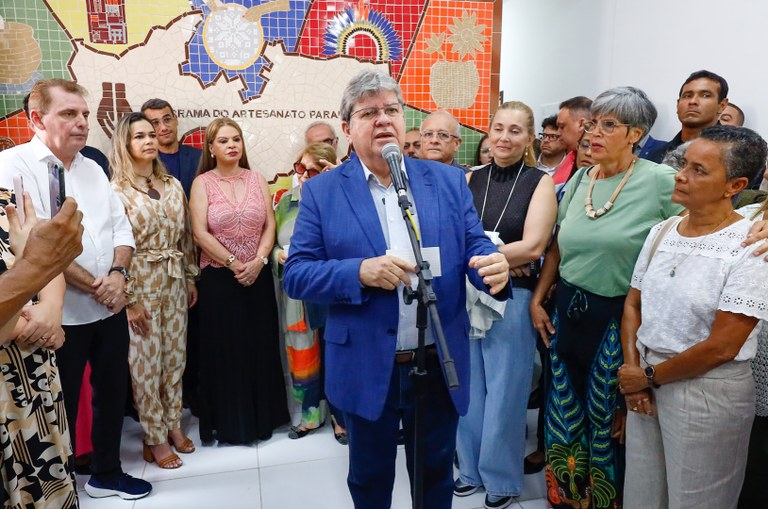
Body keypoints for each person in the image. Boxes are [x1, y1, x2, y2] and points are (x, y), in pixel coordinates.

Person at [282, 70, 510, 509]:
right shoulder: (323, 192)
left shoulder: (446, 181)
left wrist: (492, 267)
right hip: (366, 361)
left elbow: (474, 243)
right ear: (347, 127)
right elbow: (297, 274)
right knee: (370, 480)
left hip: (437, 359)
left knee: (435, 477)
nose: (383, 119)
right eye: (369, 113)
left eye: (391, 109)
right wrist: (358, 272)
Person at [530, 86, 682, 509]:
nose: (592, 133)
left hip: (618, 318)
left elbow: (704, 225)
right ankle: (565, 498)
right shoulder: (582, 178)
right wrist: (538, 299)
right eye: (592, 124)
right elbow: (557, 245)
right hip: (568, 313)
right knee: (563, 410)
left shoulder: (659, 181)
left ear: (636, 134)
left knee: (609, 418)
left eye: (608, 125)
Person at [0, 78, 151, 500]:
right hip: (56, 316)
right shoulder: (12, 166)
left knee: (112, 392)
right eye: (69, 114)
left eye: (84, 114)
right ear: (37, 119)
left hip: (109, 307)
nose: (82, 122)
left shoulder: (93, 167)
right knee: (58, 405)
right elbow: (39, 246)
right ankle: (62, 485)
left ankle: (108, 473)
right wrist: (97, 286)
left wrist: (118, 276)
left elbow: (121, 229)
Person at [619, 126, 768, 508]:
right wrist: (635, 375)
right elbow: (634, 305)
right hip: (647, 377)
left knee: (698, 499)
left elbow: (723, 346)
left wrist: (647, 376)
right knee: (643, 493)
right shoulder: (663, 230)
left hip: (706, 391)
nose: (681, 176)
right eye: (684, 164)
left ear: (735, 185)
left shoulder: (751, 246)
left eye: (699, 170)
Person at [455, 101, 557, 509]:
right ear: (489, 131)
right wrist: (498, 258)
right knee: (468, 386)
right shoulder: (469, 178)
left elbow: (533, 245)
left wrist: (487, 258)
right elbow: (454, 237)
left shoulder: (540, 182)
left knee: (506, 391)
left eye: (515, 130)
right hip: (467, 293)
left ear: (529, 138)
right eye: (498, 128)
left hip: (513, 296)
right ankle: (469, 470)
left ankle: (501, 477)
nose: (504, 137)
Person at [189, 117, 289, 444]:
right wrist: (234, 263)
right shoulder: (202, 183)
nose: (232, 145)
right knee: (226, 350)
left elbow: (270, 225)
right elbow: (199, 233)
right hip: (219, 279)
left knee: (259, 346)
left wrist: (258, 261)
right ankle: (232, 424)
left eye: (236, 139)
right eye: (223, 140)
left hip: (257, 277)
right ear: (211, 148)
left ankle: (265, 419)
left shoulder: (256, 178)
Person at [109, 112, 199, 469]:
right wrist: (129, 301)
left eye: (151, 134)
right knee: (145, 365)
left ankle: (173, 424)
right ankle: (154, 437)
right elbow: (114, 248)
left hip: (174, 280)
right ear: (125, 143)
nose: (149, 140)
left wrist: (190, 277)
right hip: (140, 284)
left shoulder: (173, 185)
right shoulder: (116, 190)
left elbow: (186, 236)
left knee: (175, 359)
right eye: (139, 136)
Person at [0, 194, 83, 509]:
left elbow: (50, 260)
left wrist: (52, 308)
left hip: (36, 374)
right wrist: (31, 325)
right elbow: (37, 263)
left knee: (50, 474)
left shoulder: (7, 200)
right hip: (6, 390)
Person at [273, 142, 347, 443]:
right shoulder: (286, 201)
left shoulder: (341, 200)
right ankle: (310, 415)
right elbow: (273, 241)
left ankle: (341, 417)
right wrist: (277, 254)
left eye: (313, 171)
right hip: (297, 294)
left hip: (330, 290)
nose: (304, 175)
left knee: (336, 354)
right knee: (302, 353)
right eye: (300, 168)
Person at [645, 70, 729, 163]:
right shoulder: (656, 155)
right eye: (687, 96)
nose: (693, 101)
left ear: (722, 105)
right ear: (678, 104)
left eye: (705, 95)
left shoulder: (732, 152)